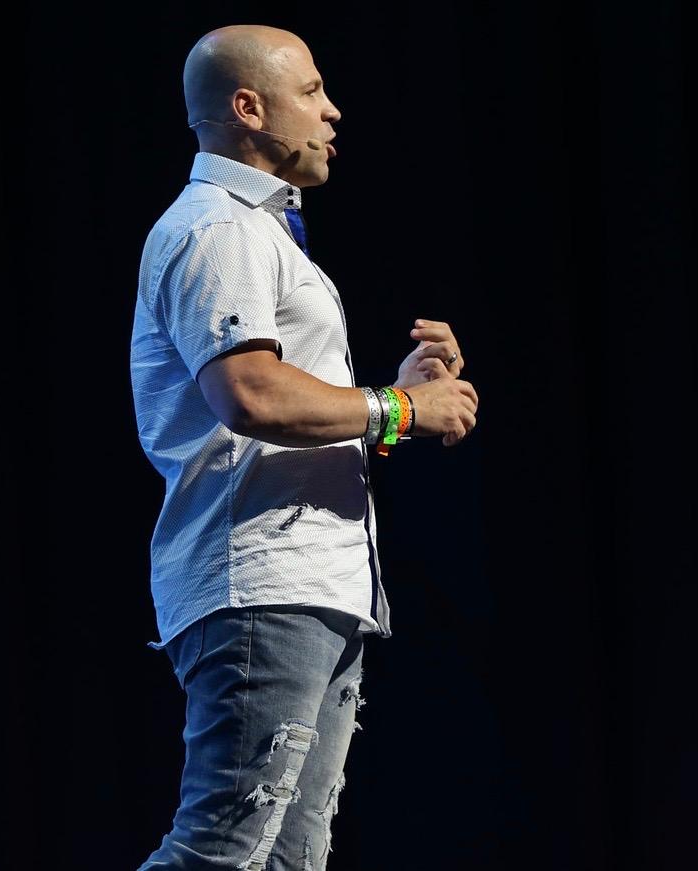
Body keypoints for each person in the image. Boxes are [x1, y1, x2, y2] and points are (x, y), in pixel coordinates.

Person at [129, 24, 478, 871]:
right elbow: (249, 396)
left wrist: (392, 398)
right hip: (258, 582)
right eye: (312, 91)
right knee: (223, 848)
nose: (333, 110)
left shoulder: (264, 234)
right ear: (247, 108)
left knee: (286, 858)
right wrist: (401, 407)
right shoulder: (221, 229)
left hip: (306, 582)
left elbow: (286, 411)